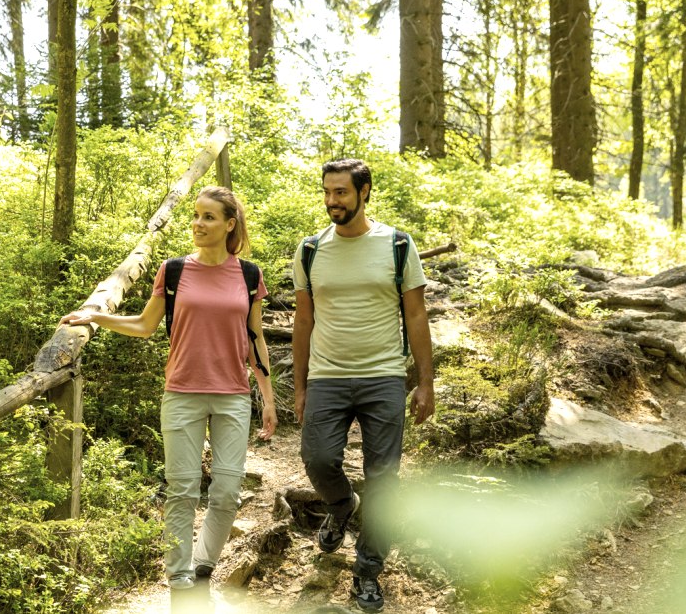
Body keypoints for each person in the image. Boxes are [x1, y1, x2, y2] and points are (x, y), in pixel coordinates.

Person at [60, 186, 277, 591]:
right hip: (181, 392)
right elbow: (145, 326)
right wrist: (94, 317)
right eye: (196, 215)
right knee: (182, 489)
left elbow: (255, 337)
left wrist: (267, 398)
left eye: (209, 217)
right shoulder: (174, 270)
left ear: (229, 224)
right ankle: (179, 577)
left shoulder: (248, 274)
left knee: (228, 491)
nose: (198, 223)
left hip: (232, 393)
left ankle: (203, 565)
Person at [292, 159, 435, 612]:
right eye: (328, 192)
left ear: (364, 191)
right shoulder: (311, 249)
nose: (333, 201)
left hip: (384, 378)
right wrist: (299, 387)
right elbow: (303, 320)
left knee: (384, 479)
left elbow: (415, 315)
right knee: (317, 458)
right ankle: (340, 507)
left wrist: (425, 382)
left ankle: (368, 570)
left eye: (342, 193)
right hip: (327, 377)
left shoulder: (396, 245)